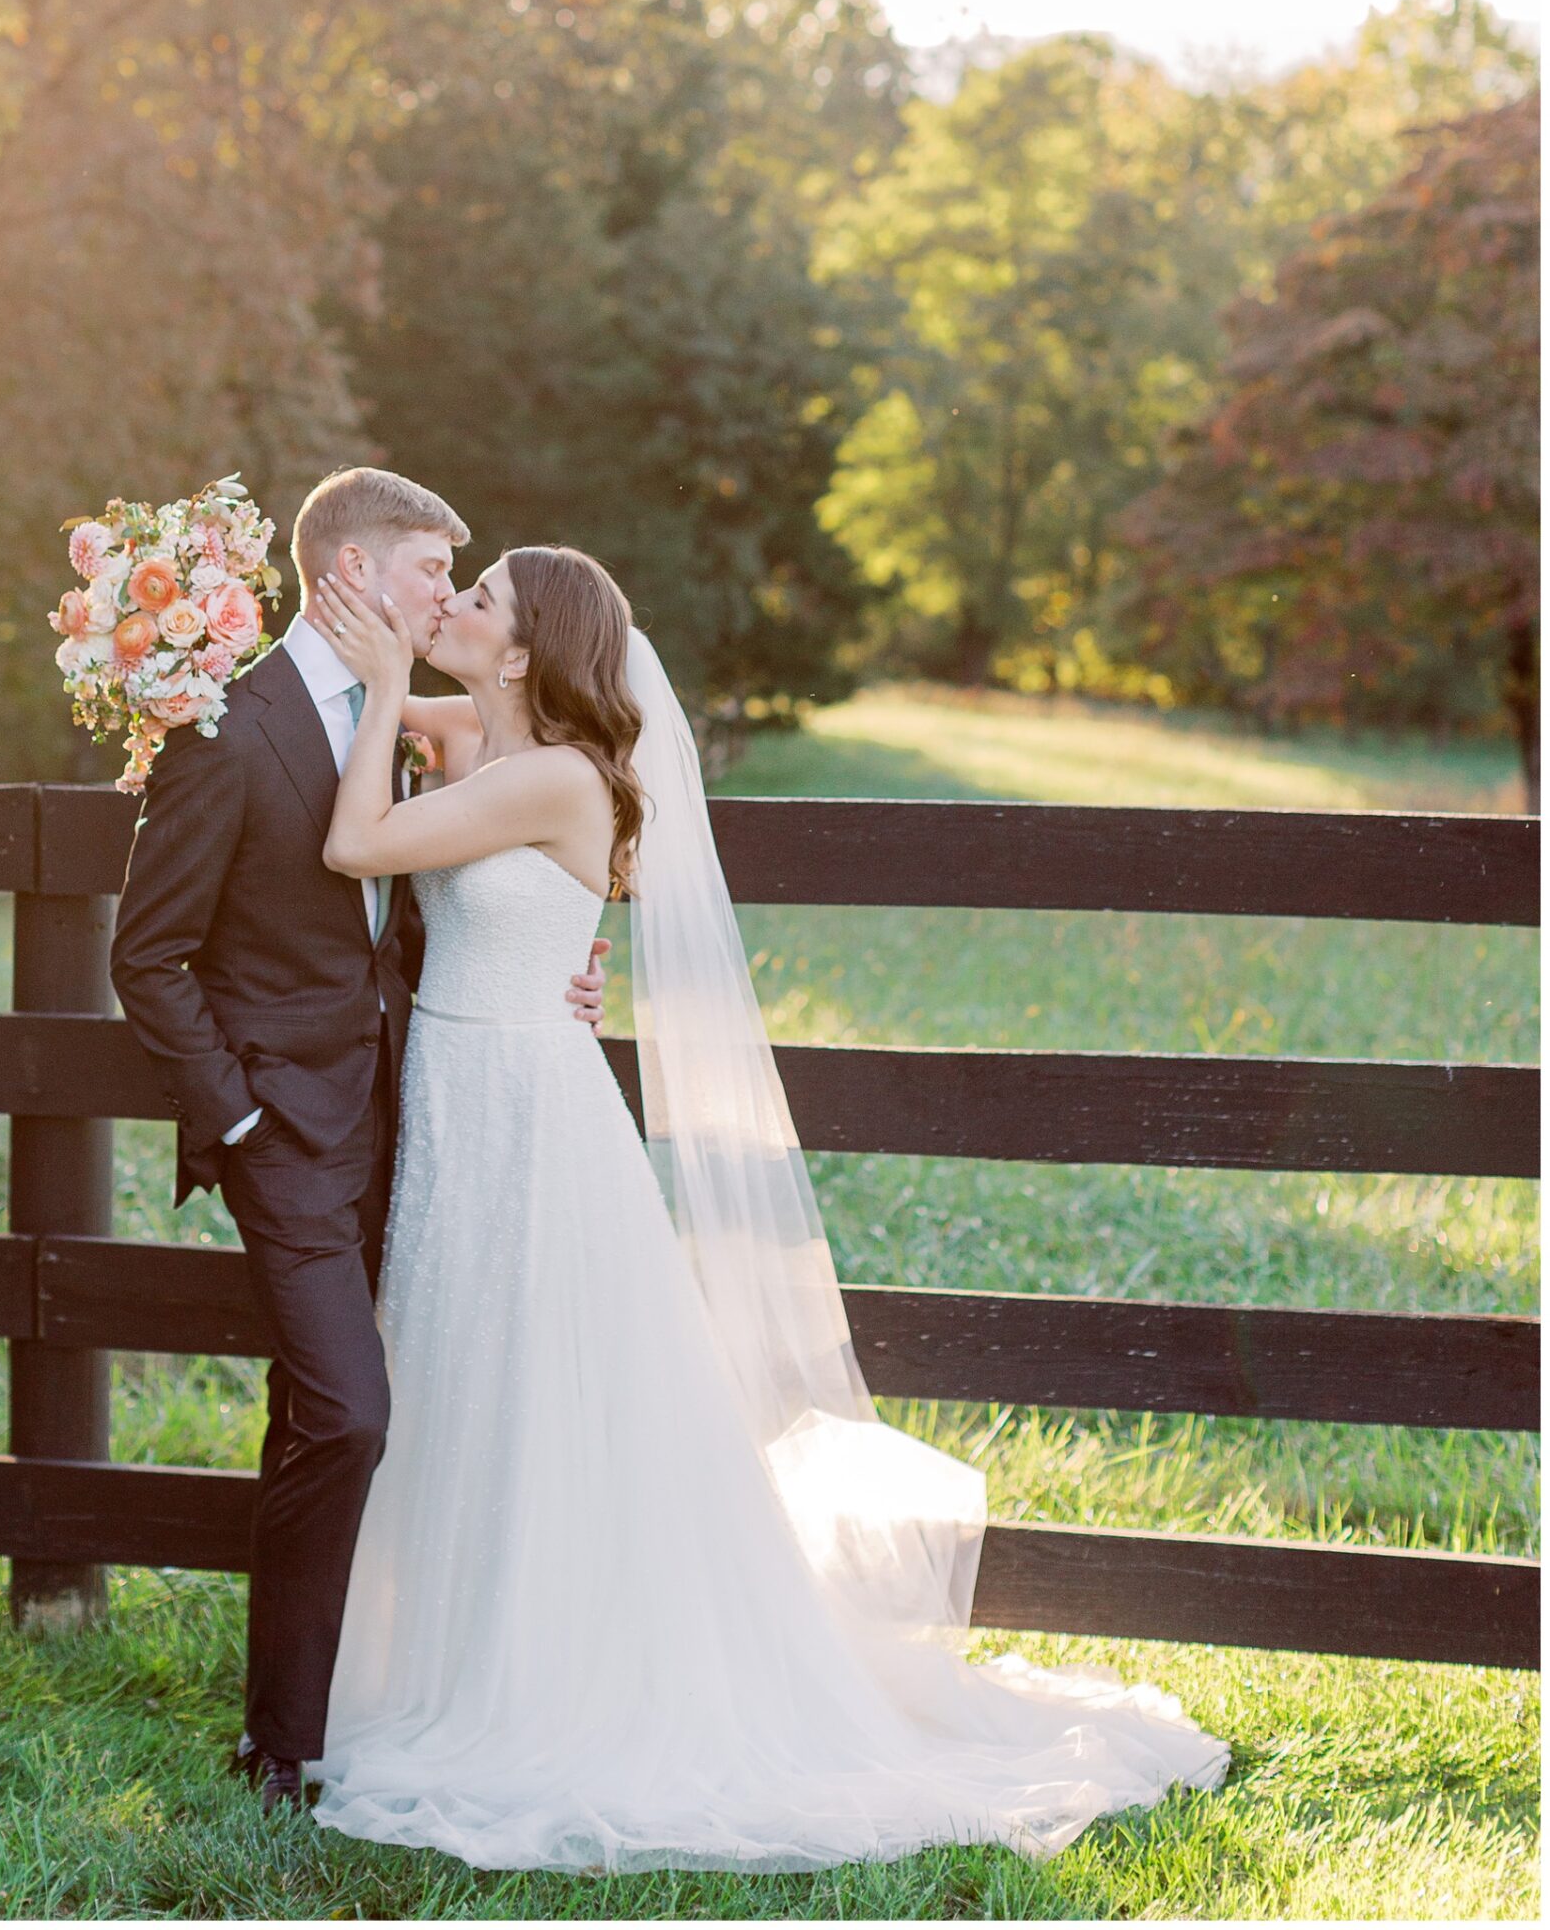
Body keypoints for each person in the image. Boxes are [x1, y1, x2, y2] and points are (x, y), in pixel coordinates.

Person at [299, 541, 1233, 1873]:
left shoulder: (556, 776)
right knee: (464, 1368)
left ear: (519, 651)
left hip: (528, 1113)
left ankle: (557, 1677)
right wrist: (371, 664)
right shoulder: (484, 740)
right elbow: (365, 727)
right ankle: (459, 1642)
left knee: (541, 1379)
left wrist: (392, 676)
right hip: (463, 1096)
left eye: (480, 598)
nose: (451, 605)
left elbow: (354, 841)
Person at [108, 470, 608, 1819]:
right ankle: (283, 1744)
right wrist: (237, 1117)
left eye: (458, 580)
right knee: (350, 1410)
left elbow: (526, 841)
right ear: (347, 569)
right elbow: (146, 958)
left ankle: (297, 1724)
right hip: (285, 1134)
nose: (445, 595)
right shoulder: (226, 725)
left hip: (414, 1118)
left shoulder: (408, 719)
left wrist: (568, 960)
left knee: (323, 1417)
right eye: (429, 571)